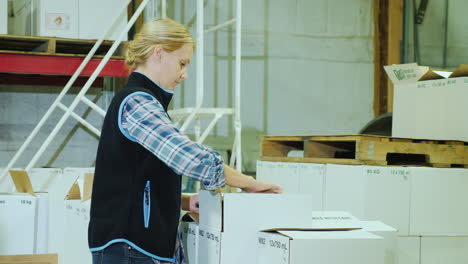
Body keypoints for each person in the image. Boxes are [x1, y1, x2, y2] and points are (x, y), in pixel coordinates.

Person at [88, 18, 282, 264]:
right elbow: (192, 159)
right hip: (132, 249)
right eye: (182, 63)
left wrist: (181, 201)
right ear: (159, 53)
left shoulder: (146, 103)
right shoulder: (137, 103)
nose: (184, 75)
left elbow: (134, 180)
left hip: (136, 248)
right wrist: (249, 183)